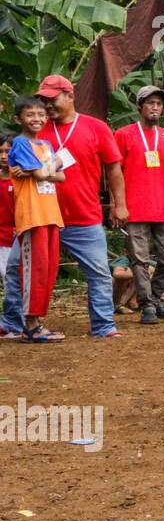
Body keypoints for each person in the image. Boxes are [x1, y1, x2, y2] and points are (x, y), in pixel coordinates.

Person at [34, 74, 127, 339]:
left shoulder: (96, 127)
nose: (47, 105)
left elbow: (113, 168)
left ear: (70, 95)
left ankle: (103, 326)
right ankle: (18, 323)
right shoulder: (37, 128)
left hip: (83, 215)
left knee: (98, 272)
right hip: (42, 215)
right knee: (26, 271)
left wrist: (119, 205)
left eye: (51, 99)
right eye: (43, 100)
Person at [114, 86, 164, 325]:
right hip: (135, 208)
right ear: (140, 106)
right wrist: (117, 204)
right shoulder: (124, 134)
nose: (155, 107)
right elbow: (114, 172)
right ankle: (146, 306)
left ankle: (154, 298)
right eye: (150, 103)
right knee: (139, 260)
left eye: (158, 104)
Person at [7, 96, 66, 342]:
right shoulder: (20, 144)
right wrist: (55, 164)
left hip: (51, 213)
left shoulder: (45, 145)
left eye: (41, 115)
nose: (37, 119)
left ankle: (37, 322)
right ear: (18, 119)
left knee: (48, 271)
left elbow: (58, 178)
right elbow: (47, 173)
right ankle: (30, 326)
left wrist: (46, 170)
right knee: (35, 271)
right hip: (32, 216)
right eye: (30, 115)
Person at [0, 136, 14, 337]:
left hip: (11, 238)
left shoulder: (23, 178)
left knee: (10, 281)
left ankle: (11, 322)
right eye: (0, 151)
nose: (3, 156)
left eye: (7, 151)